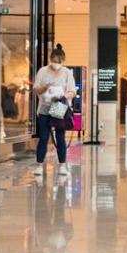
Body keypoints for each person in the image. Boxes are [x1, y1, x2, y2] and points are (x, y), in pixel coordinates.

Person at [34, 44, 76, 174]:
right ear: (50, 59)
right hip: (45, 108)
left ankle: (62, 165)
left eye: (59, 62)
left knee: (60, 136)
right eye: (54, 61)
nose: (56, 64)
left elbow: (72, 91)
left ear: (62, 61)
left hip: (59, 107)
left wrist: (62, 96)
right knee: (44, 136)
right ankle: (39, 165)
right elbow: (36, 89)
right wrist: (45, 88)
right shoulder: (43, 71)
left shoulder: (67, 72)